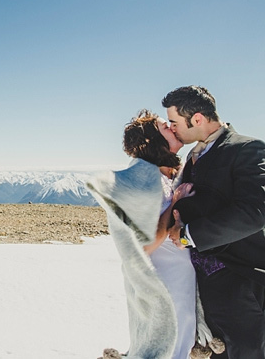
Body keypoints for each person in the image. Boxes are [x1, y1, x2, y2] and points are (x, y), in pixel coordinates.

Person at [88, 109, 216, 359]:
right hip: (165, 281)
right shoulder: (146, 180)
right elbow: (142, 244)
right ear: (151, 141)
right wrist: (175, 203)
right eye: (165, 127)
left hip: (173, 277)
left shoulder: (157, 174)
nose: (172, 128)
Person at [163, 86, 265, 358]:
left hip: (241, 281)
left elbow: (253, 213)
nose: (172, 128)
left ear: (198, 119)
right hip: (202, 289)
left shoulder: (248, 149)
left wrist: (187, 235)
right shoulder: (191, 157)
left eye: (174, 122)